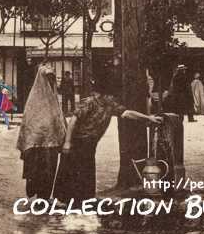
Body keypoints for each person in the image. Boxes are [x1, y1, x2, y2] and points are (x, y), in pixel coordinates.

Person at [55, 75, 162, 205]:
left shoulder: (110, 105)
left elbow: (128, 113)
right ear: (104, 95)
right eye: (111, 95)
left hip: (90, 143)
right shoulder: (89, 102)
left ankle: (81, 200)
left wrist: (148, 118)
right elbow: (73, 120)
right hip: (77, 140)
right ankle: (67, 201)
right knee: (71, 170)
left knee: (86, 170)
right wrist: (67, 142)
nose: (113, 98)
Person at [16, 64, 66, 200]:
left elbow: (60, 121)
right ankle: (36, 193)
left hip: (51, 147)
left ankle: (43, 198)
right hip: (36, 148)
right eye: (48, 78)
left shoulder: (54, 101)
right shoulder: (34, 101)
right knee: (36, 172)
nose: (51, 82)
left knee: (49, 172)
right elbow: (27, 125)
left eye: (52, 79)